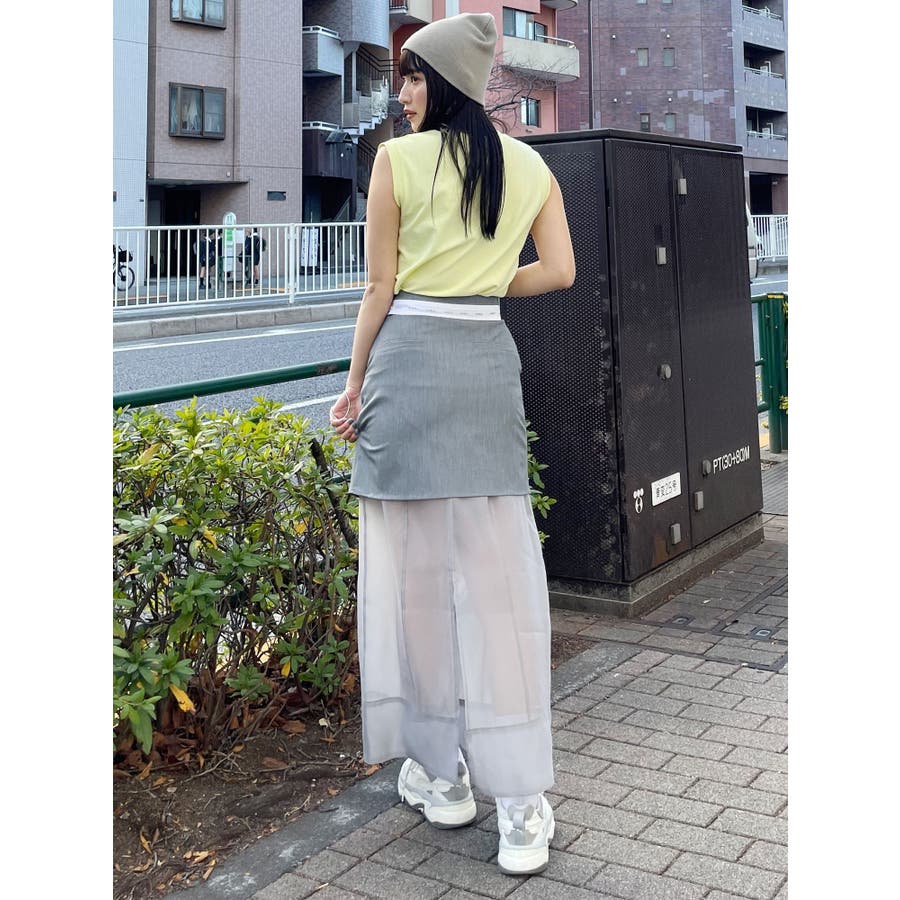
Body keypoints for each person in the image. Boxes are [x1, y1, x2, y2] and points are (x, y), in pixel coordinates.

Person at [329, 12, 574, 877]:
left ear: (444, 84)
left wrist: (353, 385)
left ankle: (445, 775)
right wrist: (487, 281)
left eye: (412, 77)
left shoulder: (396, 162)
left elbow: (380, 287)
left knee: (416, 586)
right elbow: (560, 271)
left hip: (407, 367)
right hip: (483, 364)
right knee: (498, 585)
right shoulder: (530, 165)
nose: (401, 94)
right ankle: (522, 803)